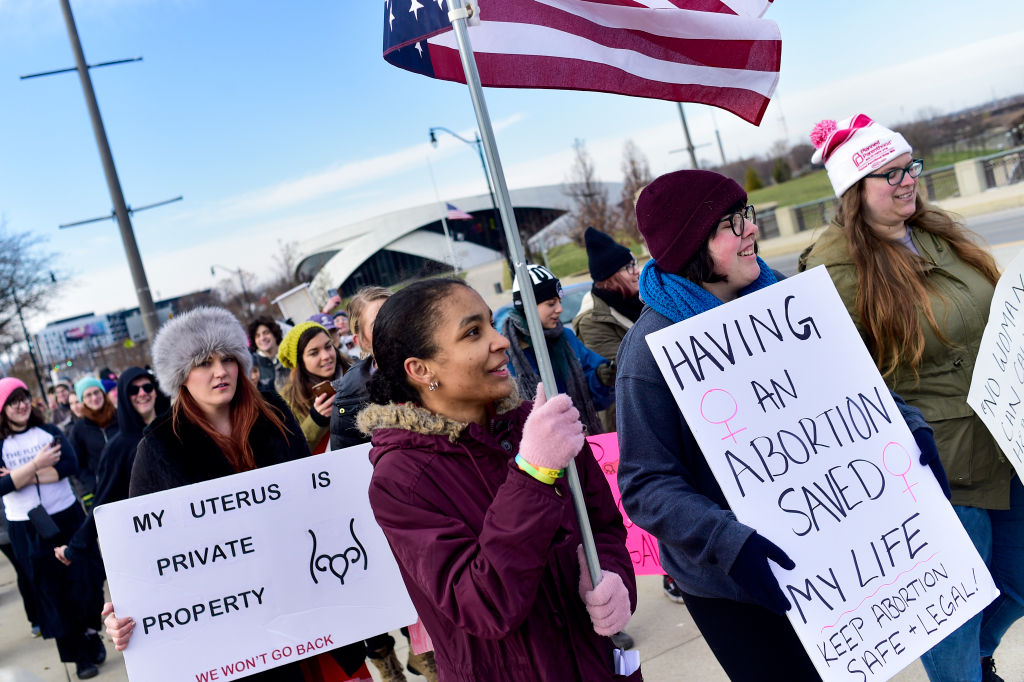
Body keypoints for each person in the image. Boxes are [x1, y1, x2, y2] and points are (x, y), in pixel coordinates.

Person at [614, 169, 942, 682]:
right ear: (689, 246)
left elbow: (857, 385)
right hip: (735, 587)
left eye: (746, 215)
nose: (751, 228)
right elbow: (645, 483)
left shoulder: (788, 299)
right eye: (730, 223)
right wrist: (729, 542)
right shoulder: (648, 352)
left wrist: (908, 427)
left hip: (832, 556)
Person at [799, 114, 1017, 682]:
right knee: (954, 618)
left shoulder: (936, 230)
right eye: (889, 174)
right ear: (854, 191)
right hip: (938, 464)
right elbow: (835, 382)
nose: (908, 180)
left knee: (1017, 580)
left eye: (909, 166)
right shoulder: (835, 268)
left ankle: (978, 661)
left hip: (1001, 432)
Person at [359, 278, 640, 681]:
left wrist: (612, 574)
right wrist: (534, 473)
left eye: (491, 324)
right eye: (473, 333)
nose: (501, 340)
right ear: (421, 369)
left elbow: (603, 526)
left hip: (596, 665)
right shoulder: (400, 481)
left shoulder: (536, 424)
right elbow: (484, 605)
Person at [100, 307, 371, 682]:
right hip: (238, 638)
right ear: (181, 374)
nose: (220, 371)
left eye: (227, 358)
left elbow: (312, 500)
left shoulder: (273, 412)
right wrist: (126, 611)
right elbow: (143, 552)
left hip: (309, 608)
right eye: (203, 363)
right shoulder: (158, 445)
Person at [328, 286, 437, 682]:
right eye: (377, 323)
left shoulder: (434, 365)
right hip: (396, 525)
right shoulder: (349, 397)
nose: (391, 326)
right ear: (359, 339)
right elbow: (343, 475)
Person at [0, 378, 107, 679]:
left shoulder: (48, 431)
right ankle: (79, 656)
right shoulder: (1, 444)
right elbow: (2, 486)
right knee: (52, 591)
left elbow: (68, 466)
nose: (21, 405)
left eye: (24, 398)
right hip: (27, 527)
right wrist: (38, 464)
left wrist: (20, 475)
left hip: (66, 516)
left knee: (85, 579)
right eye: (12, 401)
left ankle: (91, 633)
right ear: (3, 409)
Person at [54, 367, 170, 568]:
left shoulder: (175, 431)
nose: (142, 393)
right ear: (125, 396)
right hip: (144, 534)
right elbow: (103, 499)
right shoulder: (118, 446)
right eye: (133, 390)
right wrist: (76, 547)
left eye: (147, 387)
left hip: (183, 527)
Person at [502, 264, 615, 436]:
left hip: (581, 437)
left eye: (559, 302)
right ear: (527, 306)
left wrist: (601, 378)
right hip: (538, 447)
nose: (560, 309)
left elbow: (591, 391)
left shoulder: (566, 337)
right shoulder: (505, 351)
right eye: (551, 303)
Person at [279, 320, 350, 454]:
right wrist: (316, 420)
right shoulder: (288, 400)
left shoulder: (357, 373)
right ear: (300, 361)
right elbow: (292, 452)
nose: (326, 356)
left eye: (328, 346)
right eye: (314, 353)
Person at [67, 377, 118, 509]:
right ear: (82, 400)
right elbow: (77, 464)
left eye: (96, 392)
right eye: (88, 395)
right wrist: (94, 485)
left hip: (132, 484)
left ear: (103, 393)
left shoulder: (121, 417)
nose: (94, 398)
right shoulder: (79, 429)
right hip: (103, 493)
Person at [247, 315, 290, 393]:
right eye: (257, 336)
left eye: (266, 333)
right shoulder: (254, 366)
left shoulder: (289, 355)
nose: (262, 338)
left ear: (274, 334)